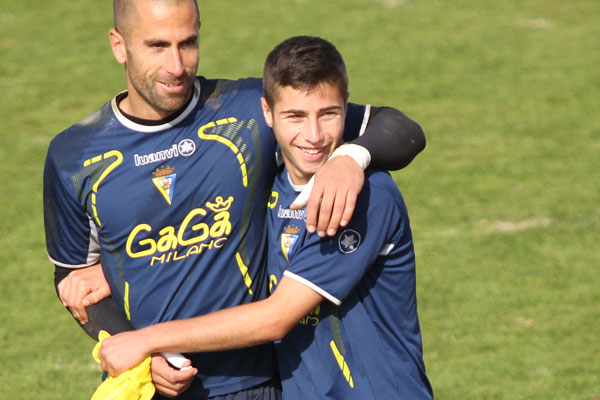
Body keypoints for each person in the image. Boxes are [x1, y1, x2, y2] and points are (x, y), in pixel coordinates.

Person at [45, 0, 426, 398]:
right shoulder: (74, 155)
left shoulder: (252, 112)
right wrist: (144, 352)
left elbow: (399, 127)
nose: (176, 66)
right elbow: (73, 278)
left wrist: (351, 157)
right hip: (156, 385)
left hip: (258, 382)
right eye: (157, 46)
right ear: (119, 45)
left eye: (188, 43)